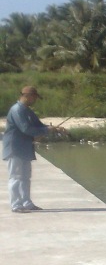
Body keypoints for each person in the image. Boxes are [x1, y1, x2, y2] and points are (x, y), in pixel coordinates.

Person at [3, 85, 61, 213]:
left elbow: (38, 125)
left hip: (25, 148)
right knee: (16, 177)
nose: (35, 100)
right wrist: (46, 130)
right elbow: (26, 129)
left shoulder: (28, 110)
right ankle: (16, 205)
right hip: (15, 148)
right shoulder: (17, 110)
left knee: (25, 177)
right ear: (27, 96)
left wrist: (53, 128)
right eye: (34, 97)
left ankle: (27, 203)